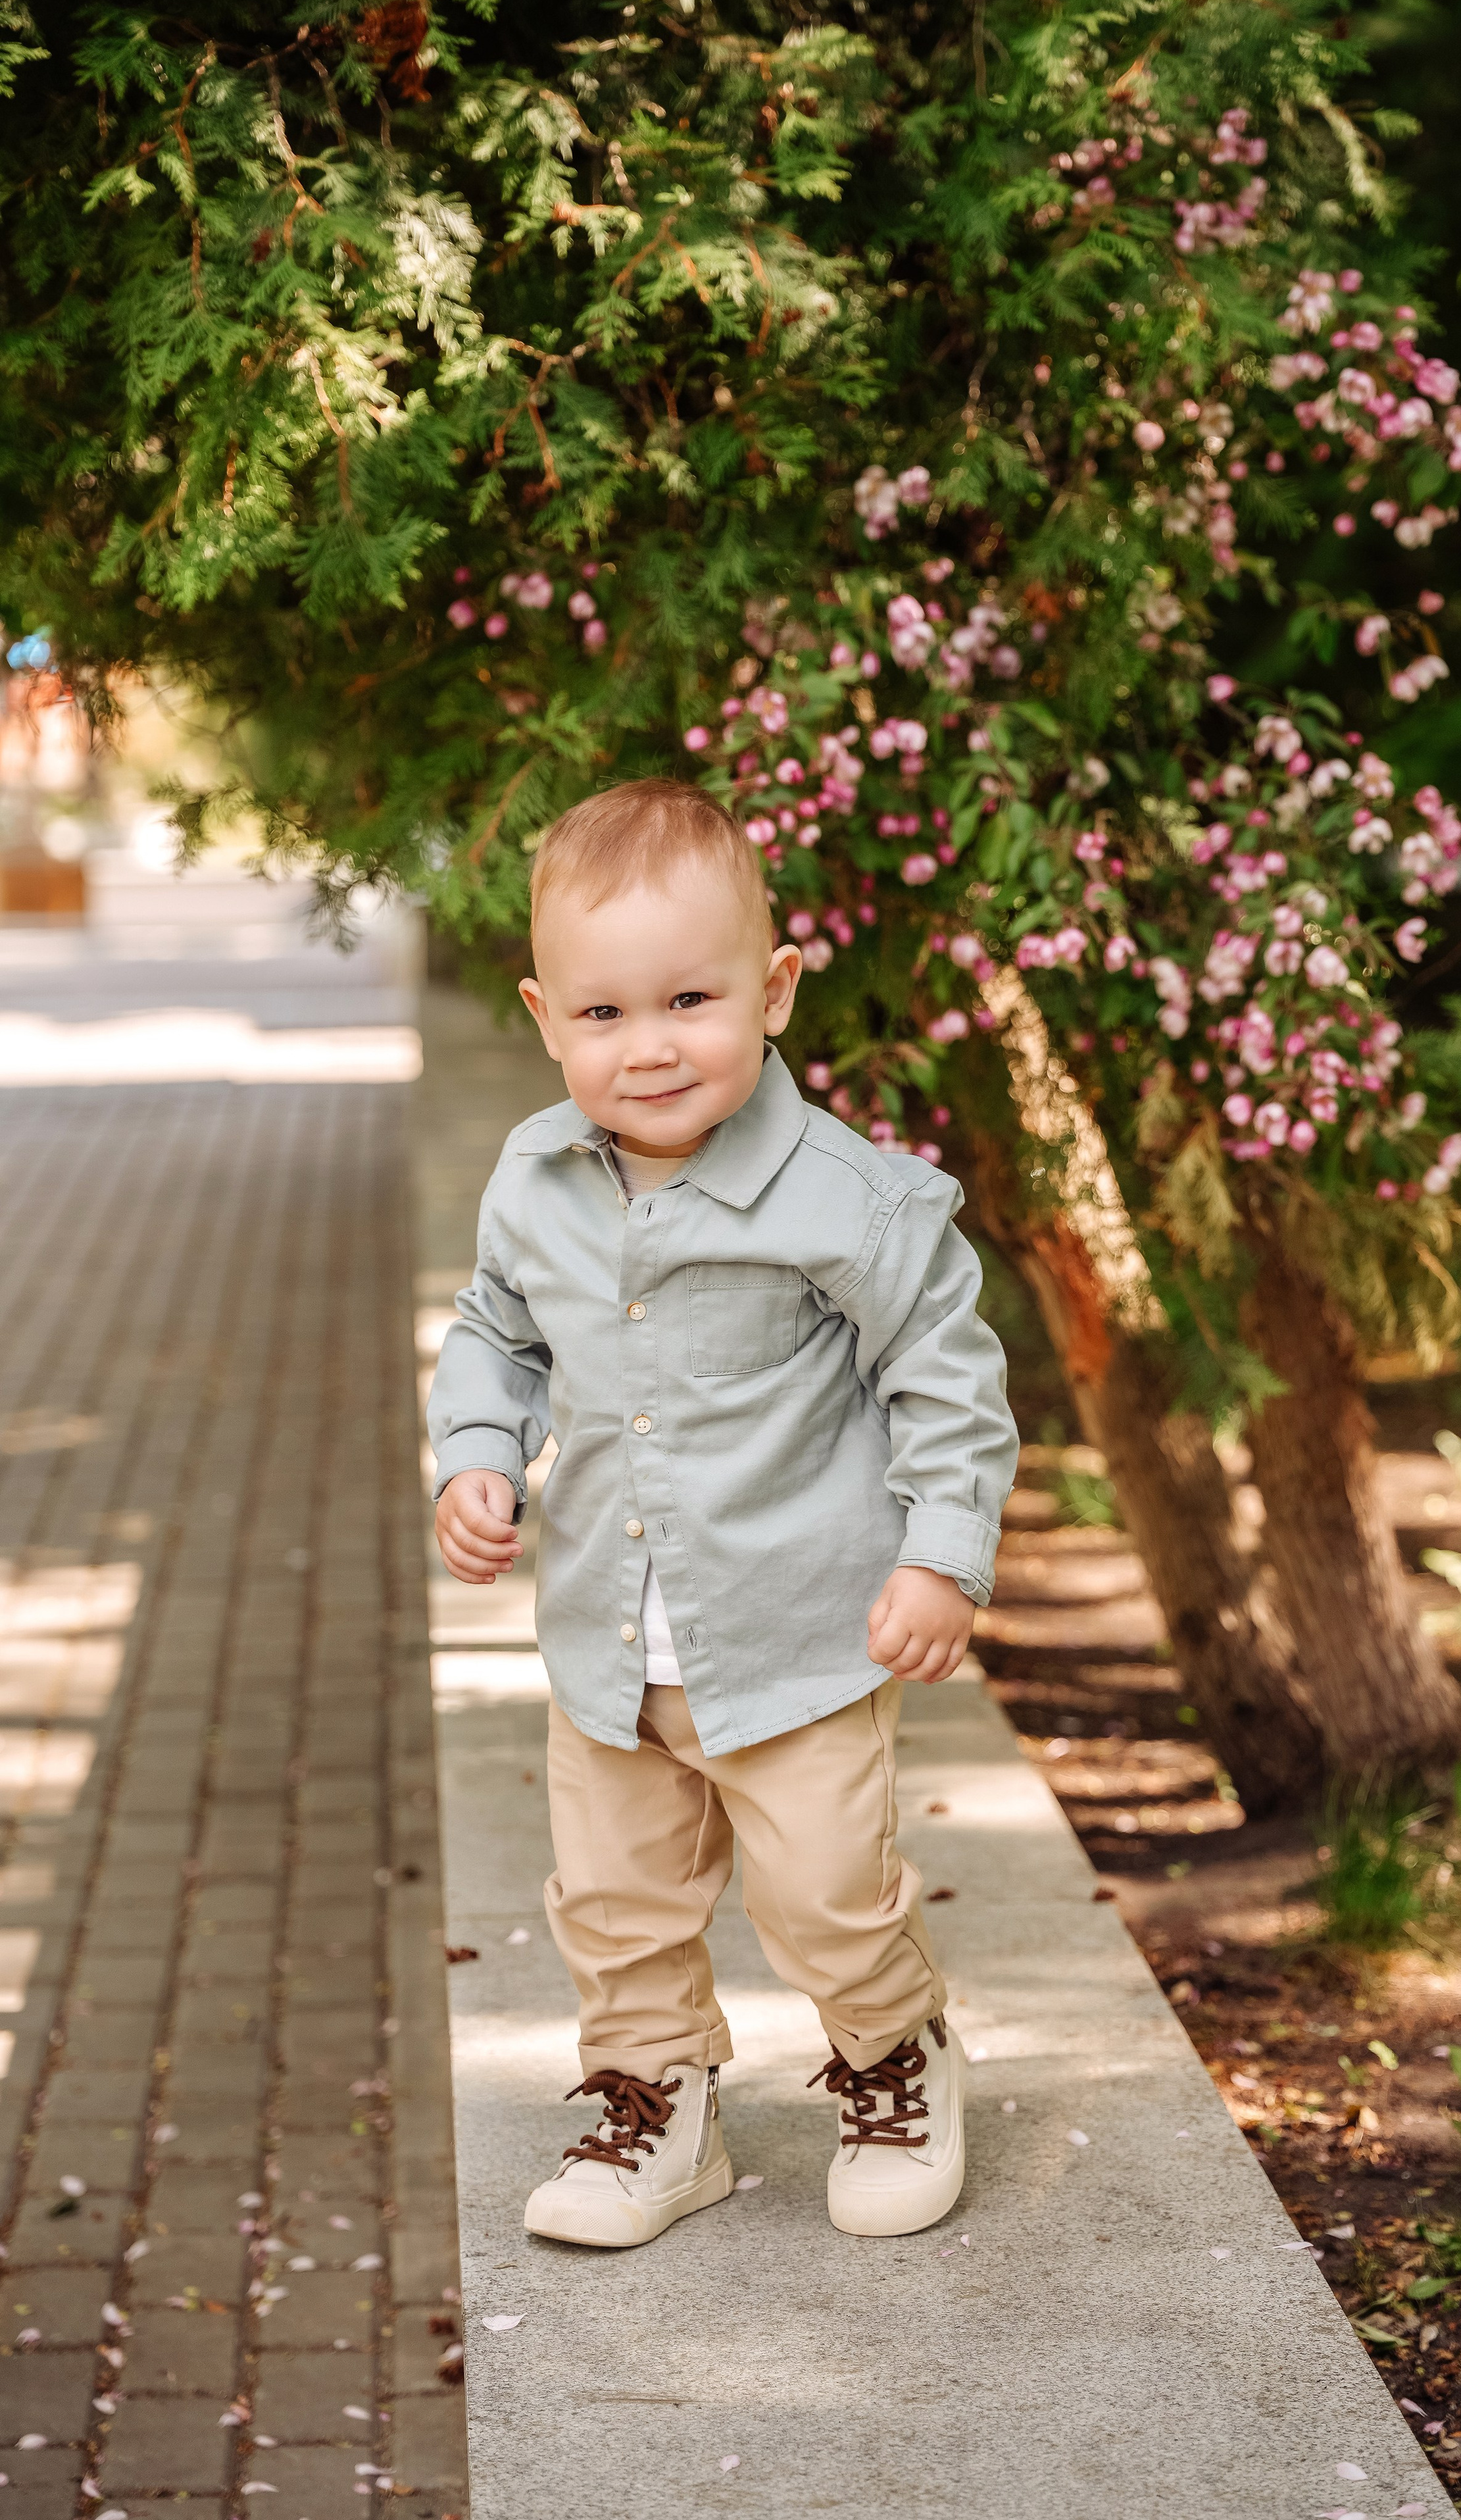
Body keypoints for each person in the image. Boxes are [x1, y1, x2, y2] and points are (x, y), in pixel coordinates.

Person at [428, 776, 1016, 2249]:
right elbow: (494, 1332)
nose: (650, 1046)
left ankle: (895, 2060)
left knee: (824, 1890)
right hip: (606, 1645)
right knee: (615, 1904)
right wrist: (476, 1450)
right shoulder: (535, 1180)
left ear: (775, 989)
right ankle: (657, 2111)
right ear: (545, 1016)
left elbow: (944, 1377)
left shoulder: (847, 1204)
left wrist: (943, 1554)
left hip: (799, 1635)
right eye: (604, 1014)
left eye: (690, 998)